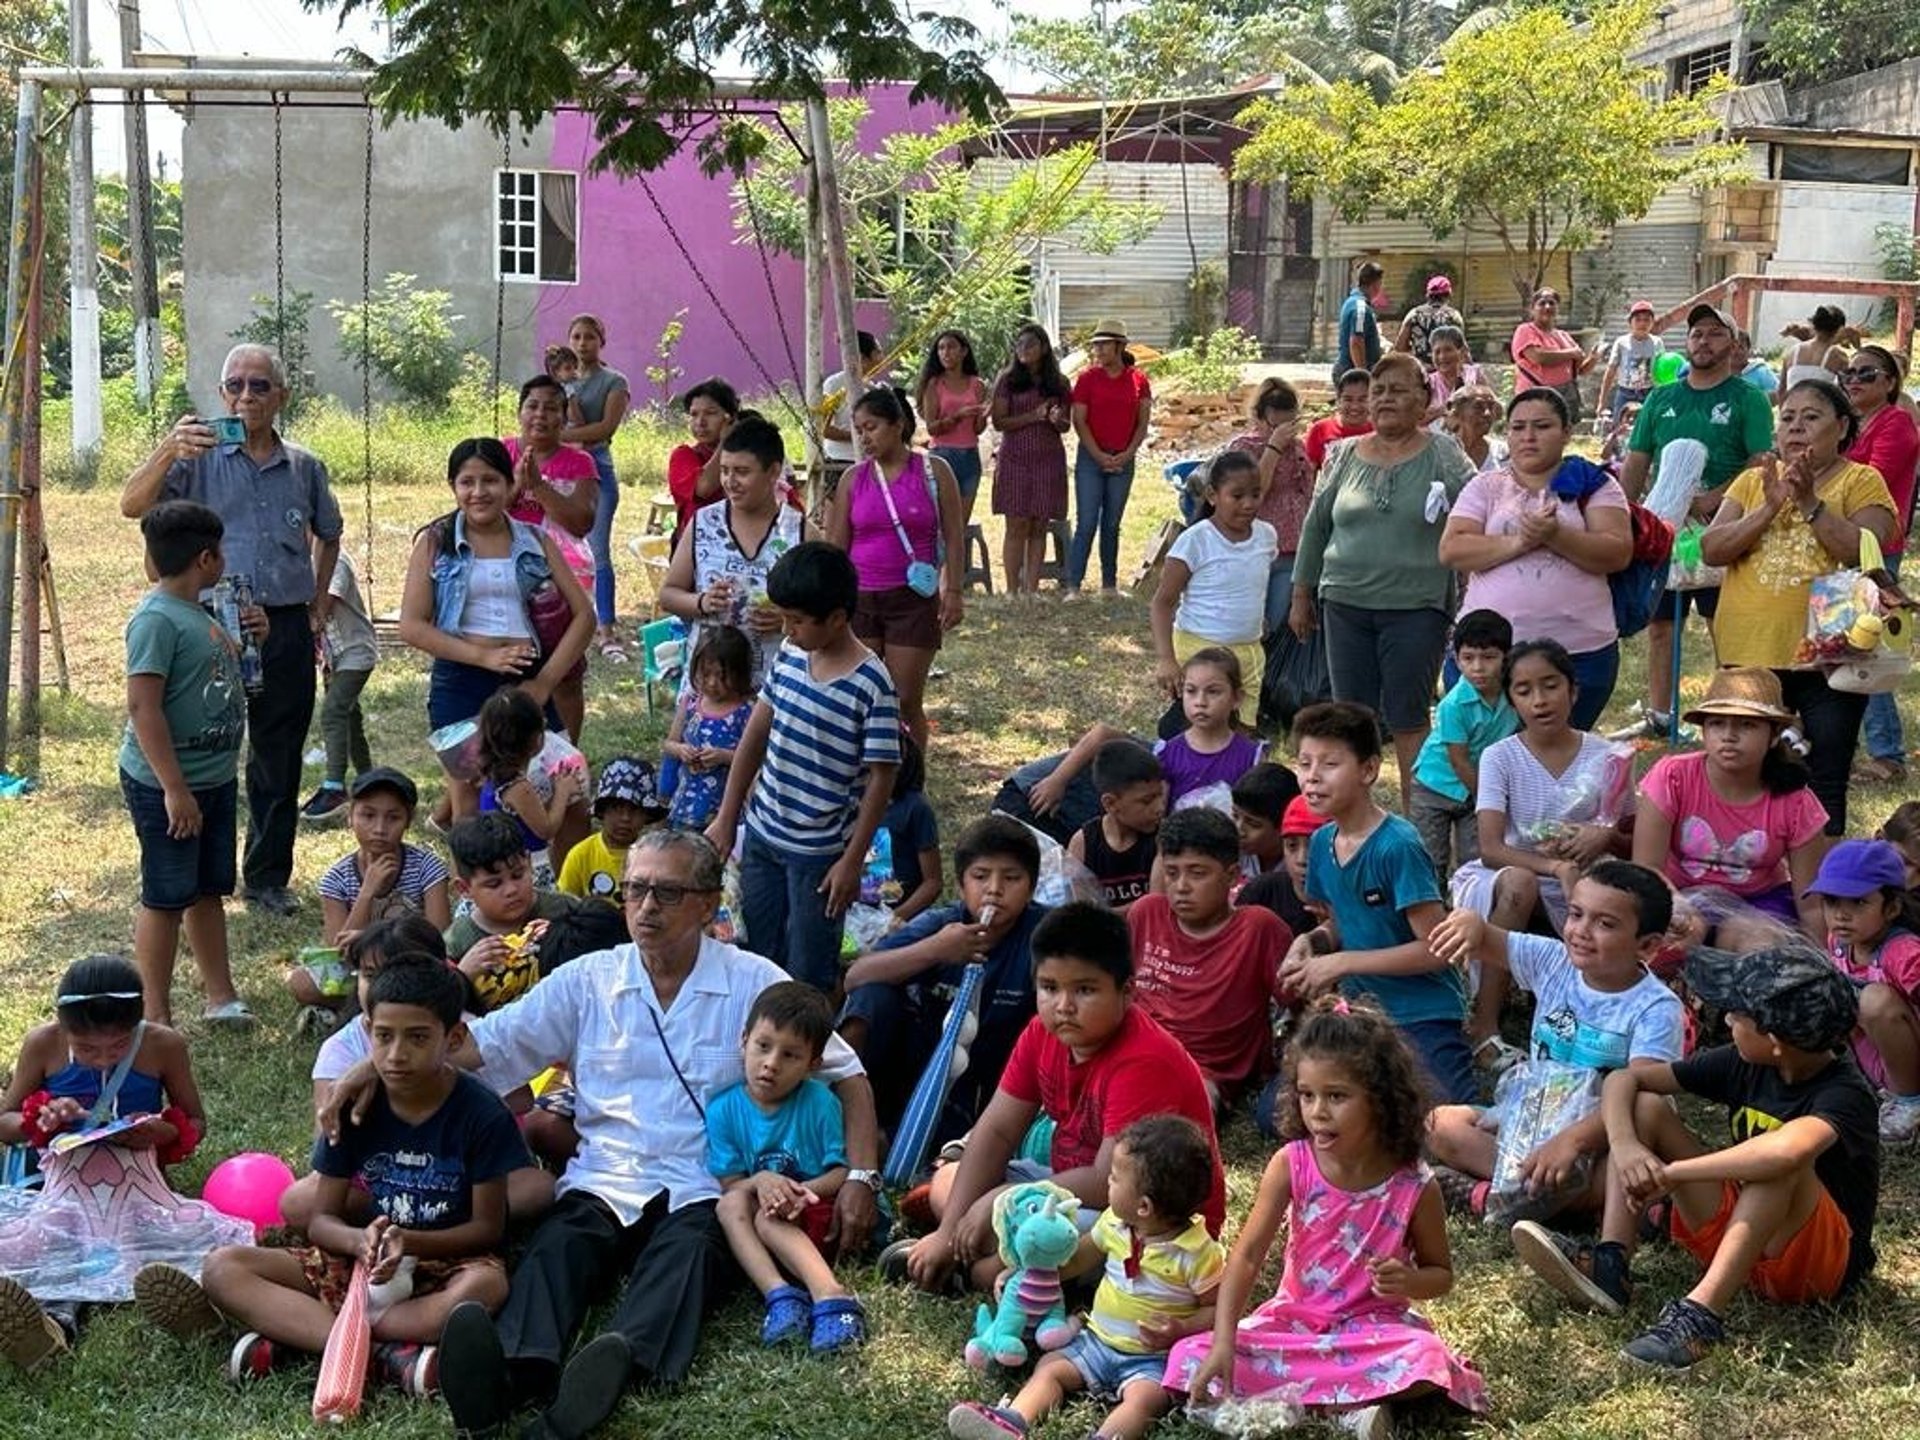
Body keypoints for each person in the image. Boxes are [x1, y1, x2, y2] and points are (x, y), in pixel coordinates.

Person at [320, 830, 884, 1440]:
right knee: (556, 1251)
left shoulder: (755, 982)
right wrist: (368, 1065)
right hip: (604, 1178)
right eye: (636, 889)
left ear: (708, 903)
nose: (645, 907)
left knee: (687, 1259)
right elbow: (485, 1045)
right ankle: (505, 1378)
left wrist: (858, 1176)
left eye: (667, 893)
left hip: (705, 1185)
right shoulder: (588, 980)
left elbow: (848, 1073)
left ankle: (606, 1378)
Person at [141, 959, 525, 1392]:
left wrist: (411, 1242)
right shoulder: (354, 1107)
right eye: (384, 1036)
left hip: (448, 1259)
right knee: (221, 1268)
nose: (396, 1054)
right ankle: (383, 1358)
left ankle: (302, 1336)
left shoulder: (482, 1114)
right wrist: (358, 1242)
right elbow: (322, 1221)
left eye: (418, 1038)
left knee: (486, 1287)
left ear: (453, 1038)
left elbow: (488, 1229)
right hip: (360, 1259)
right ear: (367, 1030)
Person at [1511, 947, 1877, 1373]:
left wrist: (1673, 1174)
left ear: (1774, 1041)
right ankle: (1611, 1262)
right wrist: (1627, 1145)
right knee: (1647, 1107)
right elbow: (1626, 1079)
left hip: (1817, 1267)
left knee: (1778, 1167)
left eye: (1736, 1016)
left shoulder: (1845, 1093)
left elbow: (1783, 1152)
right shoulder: (1746, 1061)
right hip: (1751, 1240)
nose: (1725, 1022)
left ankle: (1700, 1317)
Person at [1166, 997, 1489, 1436]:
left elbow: (1441, 1274)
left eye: (1336, 1096)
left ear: (1380, 1098)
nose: (1317, 1111)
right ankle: (1352, 1407)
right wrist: (1225, 1341)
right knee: (1188, 1355)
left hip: (1374, 1330)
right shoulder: (1291, 1164)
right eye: (1306, 1095)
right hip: (1294, 1323)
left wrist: (1409, 1282)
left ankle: (1325, 1403)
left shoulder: (1414, 1184)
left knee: (1425, 1357)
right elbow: (1245, 1258)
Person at [119, 342, 344, 917]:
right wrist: (167, 449)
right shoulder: (194, 460)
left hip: (285, 623)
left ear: (282, 396)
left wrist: (317, 604)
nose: (246, 397)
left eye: (259, 386)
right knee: (204, 742)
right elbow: (131, 505)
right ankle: (190, 872)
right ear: (220, 395)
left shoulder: (304, 466)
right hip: (207, 624)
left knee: (278, 750)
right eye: (235, 386)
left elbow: (328, 532)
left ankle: (267, 875)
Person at [896, 904, 1226, 1297]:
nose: (1064, 1005)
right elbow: (998, 1130)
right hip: (1064, 1188)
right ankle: (973, 1251)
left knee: (1060, 1237)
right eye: (1050, 988)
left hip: (1145, 1214)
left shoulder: (1145, 1059)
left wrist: (999, 1199)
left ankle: (977, 1273)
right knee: (949, 1179)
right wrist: (950, 1231)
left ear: (1126, 993)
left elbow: (1107, 1181)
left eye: (1084, 990)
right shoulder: (1040, 1033)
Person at [1426, 861, 1686, 1222]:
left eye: (1605, 923)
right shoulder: (1553, 960)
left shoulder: (1656, 1008)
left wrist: (1573, 1141)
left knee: (1619, 1168)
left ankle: (1492, 1197)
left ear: (1647, 945)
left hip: (1605, 1134)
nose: (1581, 931)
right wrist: (1469, 921)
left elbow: (1641, 1093)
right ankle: (1571, 1203)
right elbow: (1486, 937)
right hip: (1534, 1117)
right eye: (1576, 914)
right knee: (1440, 1124)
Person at [946, 1115, 1224, 1440]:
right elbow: (1076, 1259)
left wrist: (1183, 1328)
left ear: (1144, 1206)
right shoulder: (1114, 1224)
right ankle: (1012, 1420)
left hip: (1152, 1360)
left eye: (1115, 1179)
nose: (1107, 1181)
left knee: (1146, 1399)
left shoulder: (1196, 1253)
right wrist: (1027, 1272)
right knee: (1050, 1367)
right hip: (1096, 1342)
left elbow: (1217, 1309)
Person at [706, 542, 902, 993]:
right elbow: (755, 736)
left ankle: (808, 1042)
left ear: (836, 618)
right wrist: (727, 814)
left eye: (797, 620)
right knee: (758, 948)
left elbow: (881, 779)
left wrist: (852, 861)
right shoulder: (791, 657)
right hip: (763, 834)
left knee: (810, 962)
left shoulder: (873, 684)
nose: (788, 630)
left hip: (818, 852)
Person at [1700, 378, 1895, 831]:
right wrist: (1769, 507)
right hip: (1749, 655)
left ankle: (1818, 893)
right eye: (1787, 418)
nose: (1796, 428)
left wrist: (1808, 501)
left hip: (1830, 659)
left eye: (1811, 417)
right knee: (1744, 772)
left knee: (1823, 775)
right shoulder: (1754, 480)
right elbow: (1713, 549)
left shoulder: (1862, 480)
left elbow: (1861, 549)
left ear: (1842, 426)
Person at [0, 956, 210, 1370]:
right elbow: (4, 1123)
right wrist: (39, 1120)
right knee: (58, 1230)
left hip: (132, 1177)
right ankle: (52, 1322)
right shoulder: (43, 1044)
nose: (102, 1059)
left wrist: (160, 1131)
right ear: (63, 1027)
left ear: (136, 1026)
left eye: (117, 1046)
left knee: (141, 1231)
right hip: (56, 1177)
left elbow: (196, 1122)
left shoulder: (164, 1046)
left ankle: (190, 1304)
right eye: (86, 1049)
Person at [285, 916, 557, 1234]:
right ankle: (417, 1220)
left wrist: (448, 1091)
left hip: (463, 1174)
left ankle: (437, 1218)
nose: (387, 987)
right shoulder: (341, 1049)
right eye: (371, 975)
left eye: (418, 1038)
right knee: (300, 1201)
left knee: (538, 1189)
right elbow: (327, 1139)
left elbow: (520, 1100)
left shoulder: (463, 1029)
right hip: (378, 1180)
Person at [1290, 354, 1478, 809]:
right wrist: (1301, 592)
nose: (1386, 398)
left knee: (1409, 717)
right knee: (1351, 718)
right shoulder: (1342, 455)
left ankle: (1419, 829)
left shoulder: (1443, 453)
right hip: (1344, 601)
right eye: (1379, 390)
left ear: (1424, 399)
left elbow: (1479, 504)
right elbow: (1316, 526)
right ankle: (1354, 821)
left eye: (1398, 389)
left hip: (1417, 606)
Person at [1283, 701, 1473, 1104]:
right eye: (1304, 763)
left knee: (1442, 1114)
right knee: (1279, 1111)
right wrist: (1314, 942)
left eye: (1330, 764)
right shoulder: (1321, 843)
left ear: (1368, 770)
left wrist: (1344, 962)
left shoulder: (1397, 846)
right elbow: (1344, 920)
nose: (1312, 777)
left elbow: (1437, 950)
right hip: (1357, 1010)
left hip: (1421, 1011)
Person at [398, 438, 594, 819]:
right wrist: (483, 656)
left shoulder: (536, 539)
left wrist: (544, 683)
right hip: (461, 680)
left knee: (562, 785)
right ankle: (470, 878)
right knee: (469, 801)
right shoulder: (435, 542)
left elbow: (584, 616)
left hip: (528, 680)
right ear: (453, 487)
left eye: (489, 481)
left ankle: (558, 879)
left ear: (509, 484)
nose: (478, 492)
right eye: (466, 482)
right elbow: (412, 626)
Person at [1447, 640, 1635, 1013]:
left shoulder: (1607, 756)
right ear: (1511, 700)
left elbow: (1634, 845)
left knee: (1612, 898)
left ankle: (1600, 1005)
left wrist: (1605, 836)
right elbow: (1490, 848)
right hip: (1511, 874)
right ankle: (1486, 1019)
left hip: (1586, 879)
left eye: (1551, 685)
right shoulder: (1499, 757)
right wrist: (1557, 866)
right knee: (1520, 882)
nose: (1540, 700)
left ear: (1573, 690)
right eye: (1524, 690)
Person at [118, 500, 251, 1028]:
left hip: (213, 779)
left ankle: (220, 995)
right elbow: (142, 706)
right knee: (166, 896)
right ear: (206, 558)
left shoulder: (200, 611)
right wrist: (174, 789)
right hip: (170, 786)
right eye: (221, 553)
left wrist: (248, 637)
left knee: (208, 890)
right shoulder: (155, 621)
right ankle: (155, 1015)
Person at [1618, 303, 1775, 740]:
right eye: (1696, 334)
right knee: (1661, 626)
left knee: (1723, 624)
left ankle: (1736, 709)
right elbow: (1636, 462)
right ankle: (1660, 714)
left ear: (1735, 345)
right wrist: (1621, 517)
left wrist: (1716, 496)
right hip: (1666, 527)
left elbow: (1762, 461)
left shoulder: (1749, 399)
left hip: (1722, 527)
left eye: (1714, 333)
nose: (1703, 341)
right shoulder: (1661, 398)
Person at [839, 815, 1047, 1143]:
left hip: (989, 1077)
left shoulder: (1043, 935)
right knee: (872, 997)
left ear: (1032, 887)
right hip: (919, 1059)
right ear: (962, 884)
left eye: (1011, 878)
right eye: (980, 876)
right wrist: (935, 950)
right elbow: (855, 977)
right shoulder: (942, 925)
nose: (994, 890)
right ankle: (839, 1110)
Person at [1439, 387, 1634, 727]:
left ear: (1566, 432)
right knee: (1488, 763)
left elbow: (1616, 552)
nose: (1528, 437)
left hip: (1580, 652)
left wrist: (1557, 535)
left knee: (1560, 764)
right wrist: (1519, 543)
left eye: (1542, 426)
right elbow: (1453, 549)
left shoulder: (1596, 485)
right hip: (1488, 657)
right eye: (1517, 427)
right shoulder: (1485, 486)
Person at [709, 982, 866, 1353]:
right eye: (763, 1046)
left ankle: (831, 1295)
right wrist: (762, 1180)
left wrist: (798, 1192)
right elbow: (732, 1183)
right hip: (770, 1212)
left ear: (813, 1065)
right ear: (744, 1040)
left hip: (817, 1206)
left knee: (768, 1216)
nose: (771, 1064)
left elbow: (841, 1172)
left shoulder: (820, 1102)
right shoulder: (723, 1110)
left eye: (790, 1055)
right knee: (729, 1205)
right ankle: (780, 1296)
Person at [1631, 667, 1827, 941]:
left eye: (1747, 725)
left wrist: (1825, 963)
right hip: (1676, 893)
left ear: (1773, 736)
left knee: (1753, 939)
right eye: (1717, 723)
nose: (1729, 735)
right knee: (1682, 931)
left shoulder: (1796, 801)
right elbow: (1645, 869)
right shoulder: (1673, 776)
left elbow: (1812, 904)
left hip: (1760, 903)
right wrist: (1675, 907)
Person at [824, 386, 965, 749]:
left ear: (898, 424)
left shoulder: (935, 471)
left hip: (913, 601)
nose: (864, 437)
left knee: (904, 700)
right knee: (861, 696)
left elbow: (953, 535)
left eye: (871, 427)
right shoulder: (853, 479)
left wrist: (953, 591)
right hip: (860, 601)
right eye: (858, 430)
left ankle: (911, 779)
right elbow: (836, 548)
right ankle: (861, 773)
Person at [1129, 808, 1292, 1106]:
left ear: (1231, 876)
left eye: (1197, 873)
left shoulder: (1257, 928)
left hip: (1206, 1072)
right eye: (1172, 872)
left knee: (1166, 1131)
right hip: (1134, 1053)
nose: (1181, 887)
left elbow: (1298, 1000)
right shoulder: (1146, 913)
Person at [658, 413, 810, 694]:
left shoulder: (800, 532)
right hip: (710, 687)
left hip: (777, 687)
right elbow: (668, 594)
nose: (729, 481)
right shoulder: (704, 523)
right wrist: (702, 602)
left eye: (742, 472)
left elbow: (824, 613)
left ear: (774, 471)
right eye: (725, 470)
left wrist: (787, 621)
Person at [1150, 450, 1277, 727]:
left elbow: (1250, 583)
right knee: (1200, 729)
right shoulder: (1195, 541)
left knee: (1242, 732)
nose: (1248, 504)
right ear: (1212, 495)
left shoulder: (1266, 536)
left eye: (1255, 495)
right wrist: (1166, 659)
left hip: (1249, 653)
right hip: (1200, 649)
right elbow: (1163, 603)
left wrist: (1253, 617)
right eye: (1237, 495)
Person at [1805, 839, 1920, 1141]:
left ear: (1892, 907)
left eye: (1858, 902)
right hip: (1872, 1060)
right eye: (1831, 901)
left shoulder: (1904, 953)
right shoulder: (1840, 942)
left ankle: (1910, 1103)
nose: (1841, 914)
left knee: (1874, 1000)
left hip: (1909, 1064)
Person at [505, 374, 600, 741]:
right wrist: (516, 484)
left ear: (564, 418)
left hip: (563, 578)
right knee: (513, 664)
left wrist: (539, 487)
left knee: (564, 669)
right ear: (519, 413)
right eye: (532, 406)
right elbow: (482, 512)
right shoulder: (502, 452)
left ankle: (567, 752)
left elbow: (580, 522)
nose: (540, 415)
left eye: (551, 408)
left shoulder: (580, 463)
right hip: (508, 572)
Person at [1841, 345, 1920, 783]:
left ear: (1890, 382)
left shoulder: (1898, 426)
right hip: (1841, 543)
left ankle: (1888, 755)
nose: (1853, 381)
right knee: (1841, 644)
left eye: (1866, 374)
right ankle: (1844, 743)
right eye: (1848, 375)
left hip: (1876, 546)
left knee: (1870, 645)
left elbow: (1870, 485)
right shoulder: (1851, 425)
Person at [1407, 609, 1517, 887]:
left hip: (1475, 789)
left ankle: (1469, 912)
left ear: (1506, 656)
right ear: (1456, 659)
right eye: (1468, 659)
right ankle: (1431, 916)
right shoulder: (1453, 705)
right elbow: (1459, 761)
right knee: (1431, 860)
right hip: (1434, 787)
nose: (1478, 668)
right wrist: (1489, 800)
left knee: (1477, 858)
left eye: (1489, 657)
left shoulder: (1515, 694)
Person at [442, 813, 593, 1015]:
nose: (511, 889)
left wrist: (563, 934)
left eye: (518, 874)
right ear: (464, 889)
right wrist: (463, 974)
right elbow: (436, 1003)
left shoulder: (564, 909)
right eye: (494, 884)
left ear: (529, 863)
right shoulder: (458, 941)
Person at [554, 314, 630, 661]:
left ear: (602, 340)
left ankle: (606, 629)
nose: (582, 343)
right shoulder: (558, 382)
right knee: (556, 548)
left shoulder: (614, 382)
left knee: (597, 550)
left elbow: (604, 429)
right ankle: (563, 621)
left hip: (597, 468)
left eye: (589, 337)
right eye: (576, 337)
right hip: (558, 471)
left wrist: (561, 436)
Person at [1068, 319, 1154, 597]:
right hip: (1091, 457)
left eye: (1104, 344)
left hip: (1124, 456)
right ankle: (1073, 585)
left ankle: (1109, 584)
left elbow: (1142, 423)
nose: (1098, 349)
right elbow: (1079, 421)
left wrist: (1126, 455)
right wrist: (1099, 455)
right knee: (1087, 521)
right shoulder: (1087, 378)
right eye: (1096, 344)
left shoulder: (1138, 380)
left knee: (1112, 523)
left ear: (1119, 346)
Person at [475, 686, 588, 887]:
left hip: (498, 862)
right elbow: (546, 830)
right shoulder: (518, 787)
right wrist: (562, 791)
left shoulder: (492, 776)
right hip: (527, 868)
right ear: (535, 739)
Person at [991, 323, 1073, 595]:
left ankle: (1031, 589)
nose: (1023, 349)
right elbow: (999, 421)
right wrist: (1033, 416)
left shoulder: (1059, 383)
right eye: (1019, 344)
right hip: (1015, 458)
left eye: (1030, 344)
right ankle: (1012, 590)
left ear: (1044, 348)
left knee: (1039, 523)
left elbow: (1065, 426)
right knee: (1016, 522)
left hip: (1048, 460)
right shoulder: (1007, 380)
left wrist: (1055, 419)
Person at [301, 547, 380, 823]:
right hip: (333, 656)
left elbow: (324, 604)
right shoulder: (302, 560)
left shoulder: (337, 562)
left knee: (334, 712)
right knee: (350, 717)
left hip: (356, 651)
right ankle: (369, 780)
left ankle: (335, 787)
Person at [1231, 377, 1314, 636]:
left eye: (1290, 424)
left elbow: (1309, 493)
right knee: (1248, 623)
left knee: (1274, 624)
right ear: (1260, 416)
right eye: (1275, 424)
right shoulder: (1244, 447)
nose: (1283, 431)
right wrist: (1273, 448)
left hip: (1291, 549)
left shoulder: (1299, 447)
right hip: (1253, 548)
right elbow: (1253, 493)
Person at [662, 625, 756, 831]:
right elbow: (669, 743)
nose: (712, 683)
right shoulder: (691, 703)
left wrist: (724, 756)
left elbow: (757, 760)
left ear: (740, 674)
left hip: (723, 812)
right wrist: (681, 750)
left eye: (722, 676)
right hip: (685, 805)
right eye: (705, 674)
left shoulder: (748, 712)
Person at [1068, 740, 1167, 916]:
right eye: (1147, 800)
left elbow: (1155, 906)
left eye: (1160, 796)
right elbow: (1082, 912)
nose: (1159, 807)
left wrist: (1103, 915)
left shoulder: (1163, 839)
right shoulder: (1083, 843)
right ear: (1111, 803)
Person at [558, 757, 666, 907]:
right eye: (616, 809)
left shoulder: (653, 858)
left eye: (634, 810)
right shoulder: (581, 855)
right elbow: (564, 906)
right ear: (602, 811)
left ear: (646, 815)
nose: (625, 818)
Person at [917, 329, 991, 525]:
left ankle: (958, 557)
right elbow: (932, 428)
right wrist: (956, 417)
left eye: (951, 347)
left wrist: (984, 415)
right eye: (941, 348)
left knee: (960, 524)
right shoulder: (934, 385)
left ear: (964, 351)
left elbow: (977, 429)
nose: (945, 353)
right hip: (942, 455)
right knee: (939, 523)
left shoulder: (977, 384)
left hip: (969, 455)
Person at [1237, 794, 1322, 941]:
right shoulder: (1262, 893)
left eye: (1315, 846)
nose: (1302, 860)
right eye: (1292, 846)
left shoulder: (1355, 902)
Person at [665, 377, 741, 542]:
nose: (700, 422)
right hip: (696, 549)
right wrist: (726, 442)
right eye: (694, 414)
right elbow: (704, 488)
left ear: (732, 418)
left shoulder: (748, 456)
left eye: (711, 413)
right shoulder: (683, 456)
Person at [1510, 287, 1598, 424]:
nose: (1547, 306)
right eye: (1542, 303)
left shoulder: (1564, 336)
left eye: (1552, 303)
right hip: (1536, 396)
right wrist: (1571, 353)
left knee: (1563, 434)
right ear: (1532, 309)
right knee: (1538, 433)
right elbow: (1538, 357)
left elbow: (1580, 370)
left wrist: (1593, 358)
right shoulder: (1526, 330)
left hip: (1566, 395)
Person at [884, 731, 943, 925]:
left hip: (902, 917)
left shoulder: (915, 809)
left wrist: (895, 918)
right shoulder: (854, 803)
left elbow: (933, 882)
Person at [822, 329, 887, 496]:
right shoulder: (834, 385)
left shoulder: (876, 388)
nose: (883, 357)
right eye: (878, 352)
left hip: (870, 460)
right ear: (864, 358)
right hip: (840, 461)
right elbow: (824, 429)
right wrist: (859, 436)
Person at [1228, 761, 1300, 888]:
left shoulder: (1300, 865)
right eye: (1235, 816)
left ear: (1283, 828)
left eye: (1253, 824)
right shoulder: (1229, 855)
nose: (1239, 830)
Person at [1596, 300, 1664, 422]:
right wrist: (1602, 402)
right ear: (1630, 323)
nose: (1642, 323)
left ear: (1652, 323)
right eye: (1638, 319)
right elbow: (1610, 372)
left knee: (1649, 426)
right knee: (1619, 429)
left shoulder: (1657, 342)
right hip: (1625, 393)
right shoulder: (1621, 342)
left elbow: (1662, 371)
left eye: (1647, 320)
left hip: (1649, 393)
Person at [1303, 369, 1372, 472]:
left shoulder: (1380, 432)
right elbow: (1308, 475)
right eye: (1348, 399)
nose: (1355, 406)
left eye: (1362, 399)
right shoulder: (1320, 429)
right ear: (1338, 401)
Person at [1779, 305, 1852, 401]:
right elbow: (1848, 392)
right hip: (1820, 411)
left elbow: (1781, 391)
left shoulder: (1791, 353)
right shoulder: (1839, 356)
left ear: (1814, 325)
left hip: (1792, 409)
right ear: (1840, 329)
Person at [1393, 273, 1463, 367]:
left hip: (1420, 371)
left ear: (1428, 295)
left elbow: (1399, 348)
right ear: (1448, 295)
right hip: (1445, 372)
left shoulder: (1413, 315)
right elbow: (1462, 350)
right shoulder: (1454, 316)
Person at [1334, 261, 1386, 383]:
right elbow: (1356, 342)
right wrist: (1363, 375)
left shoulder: (1352, 302)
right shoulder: (1360, 308)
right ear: (1376, 284)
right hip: (1352, 373)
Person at [1422, 326, 1484, 421]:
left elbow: (1495, 409)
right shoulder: (1429, 382)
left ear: (1462, 351)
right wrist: (1444, 409)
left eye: (1448, 350)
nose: (1442, 356)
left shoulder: (1474, 374)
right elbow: (1417, 419)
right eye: (1437, 352)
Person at [1441, 383, 1504, 473]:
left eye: (1491, 407)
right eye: (1478, 407)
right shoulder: (1441, 453)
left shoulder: (1503, 453)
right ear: (1457, 413)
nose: (1487, 413)